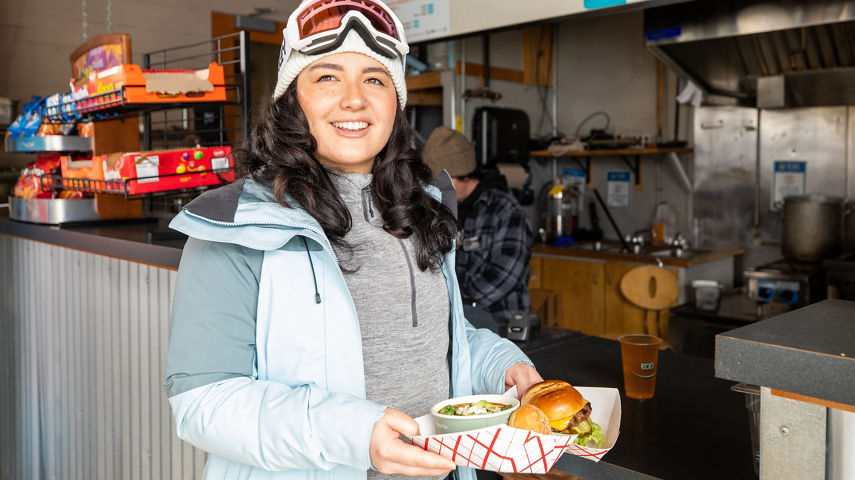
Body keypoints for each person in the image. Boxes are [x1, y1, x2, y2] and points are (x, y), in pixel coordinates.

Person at [162, 1, 543, 479]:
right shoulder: (238, 226)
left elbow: (435, 341)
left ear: (396, 103)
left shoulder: (420, 209)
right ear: (291, 99)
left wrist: (500, 365)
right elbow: (203, 402)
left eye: (375, 78)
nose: (354, 99)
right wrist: (353, 434)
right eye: (326, 77)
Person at [423, 127, 534, 334]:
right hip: (452, 323)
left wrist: (457, 302)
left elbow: (505, 274)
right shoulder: (441, 209)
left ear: (461, 177)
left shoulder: (505, 211)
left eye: (440, 183)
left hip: (500, 327)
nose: (435, 190)